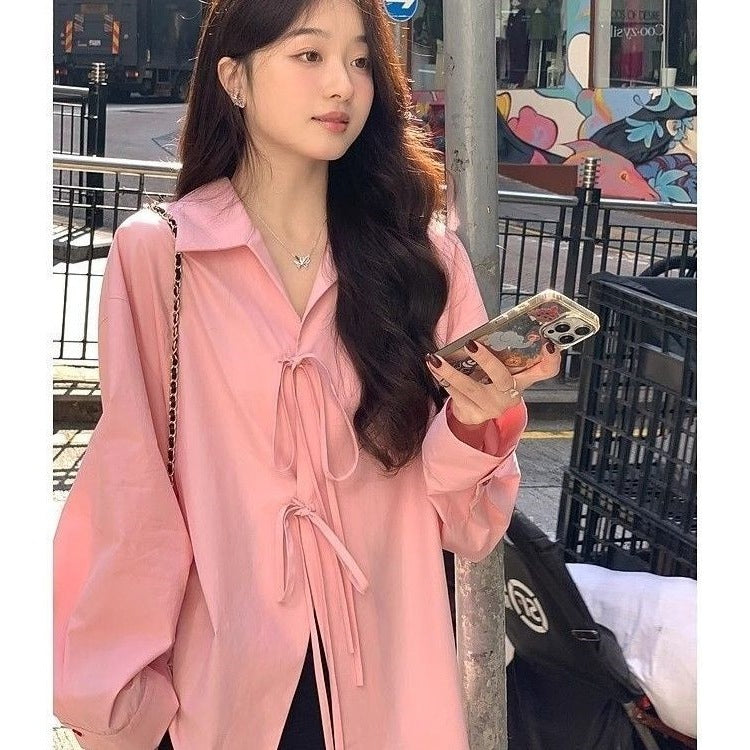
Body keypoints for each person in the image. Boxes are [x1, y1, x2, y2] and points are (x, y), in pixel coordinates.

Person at [52, 1, 562, 748]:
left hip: (387, 678)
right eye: (309, 55)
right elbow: (133, 485)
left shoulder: (424, 261)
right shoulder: (163, 256)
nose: (342, 85)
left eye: (360, 61)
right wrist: (118, 700)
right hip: (221, 682)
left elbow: (468, 528)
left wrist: (475, 423)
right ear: (234, 77)